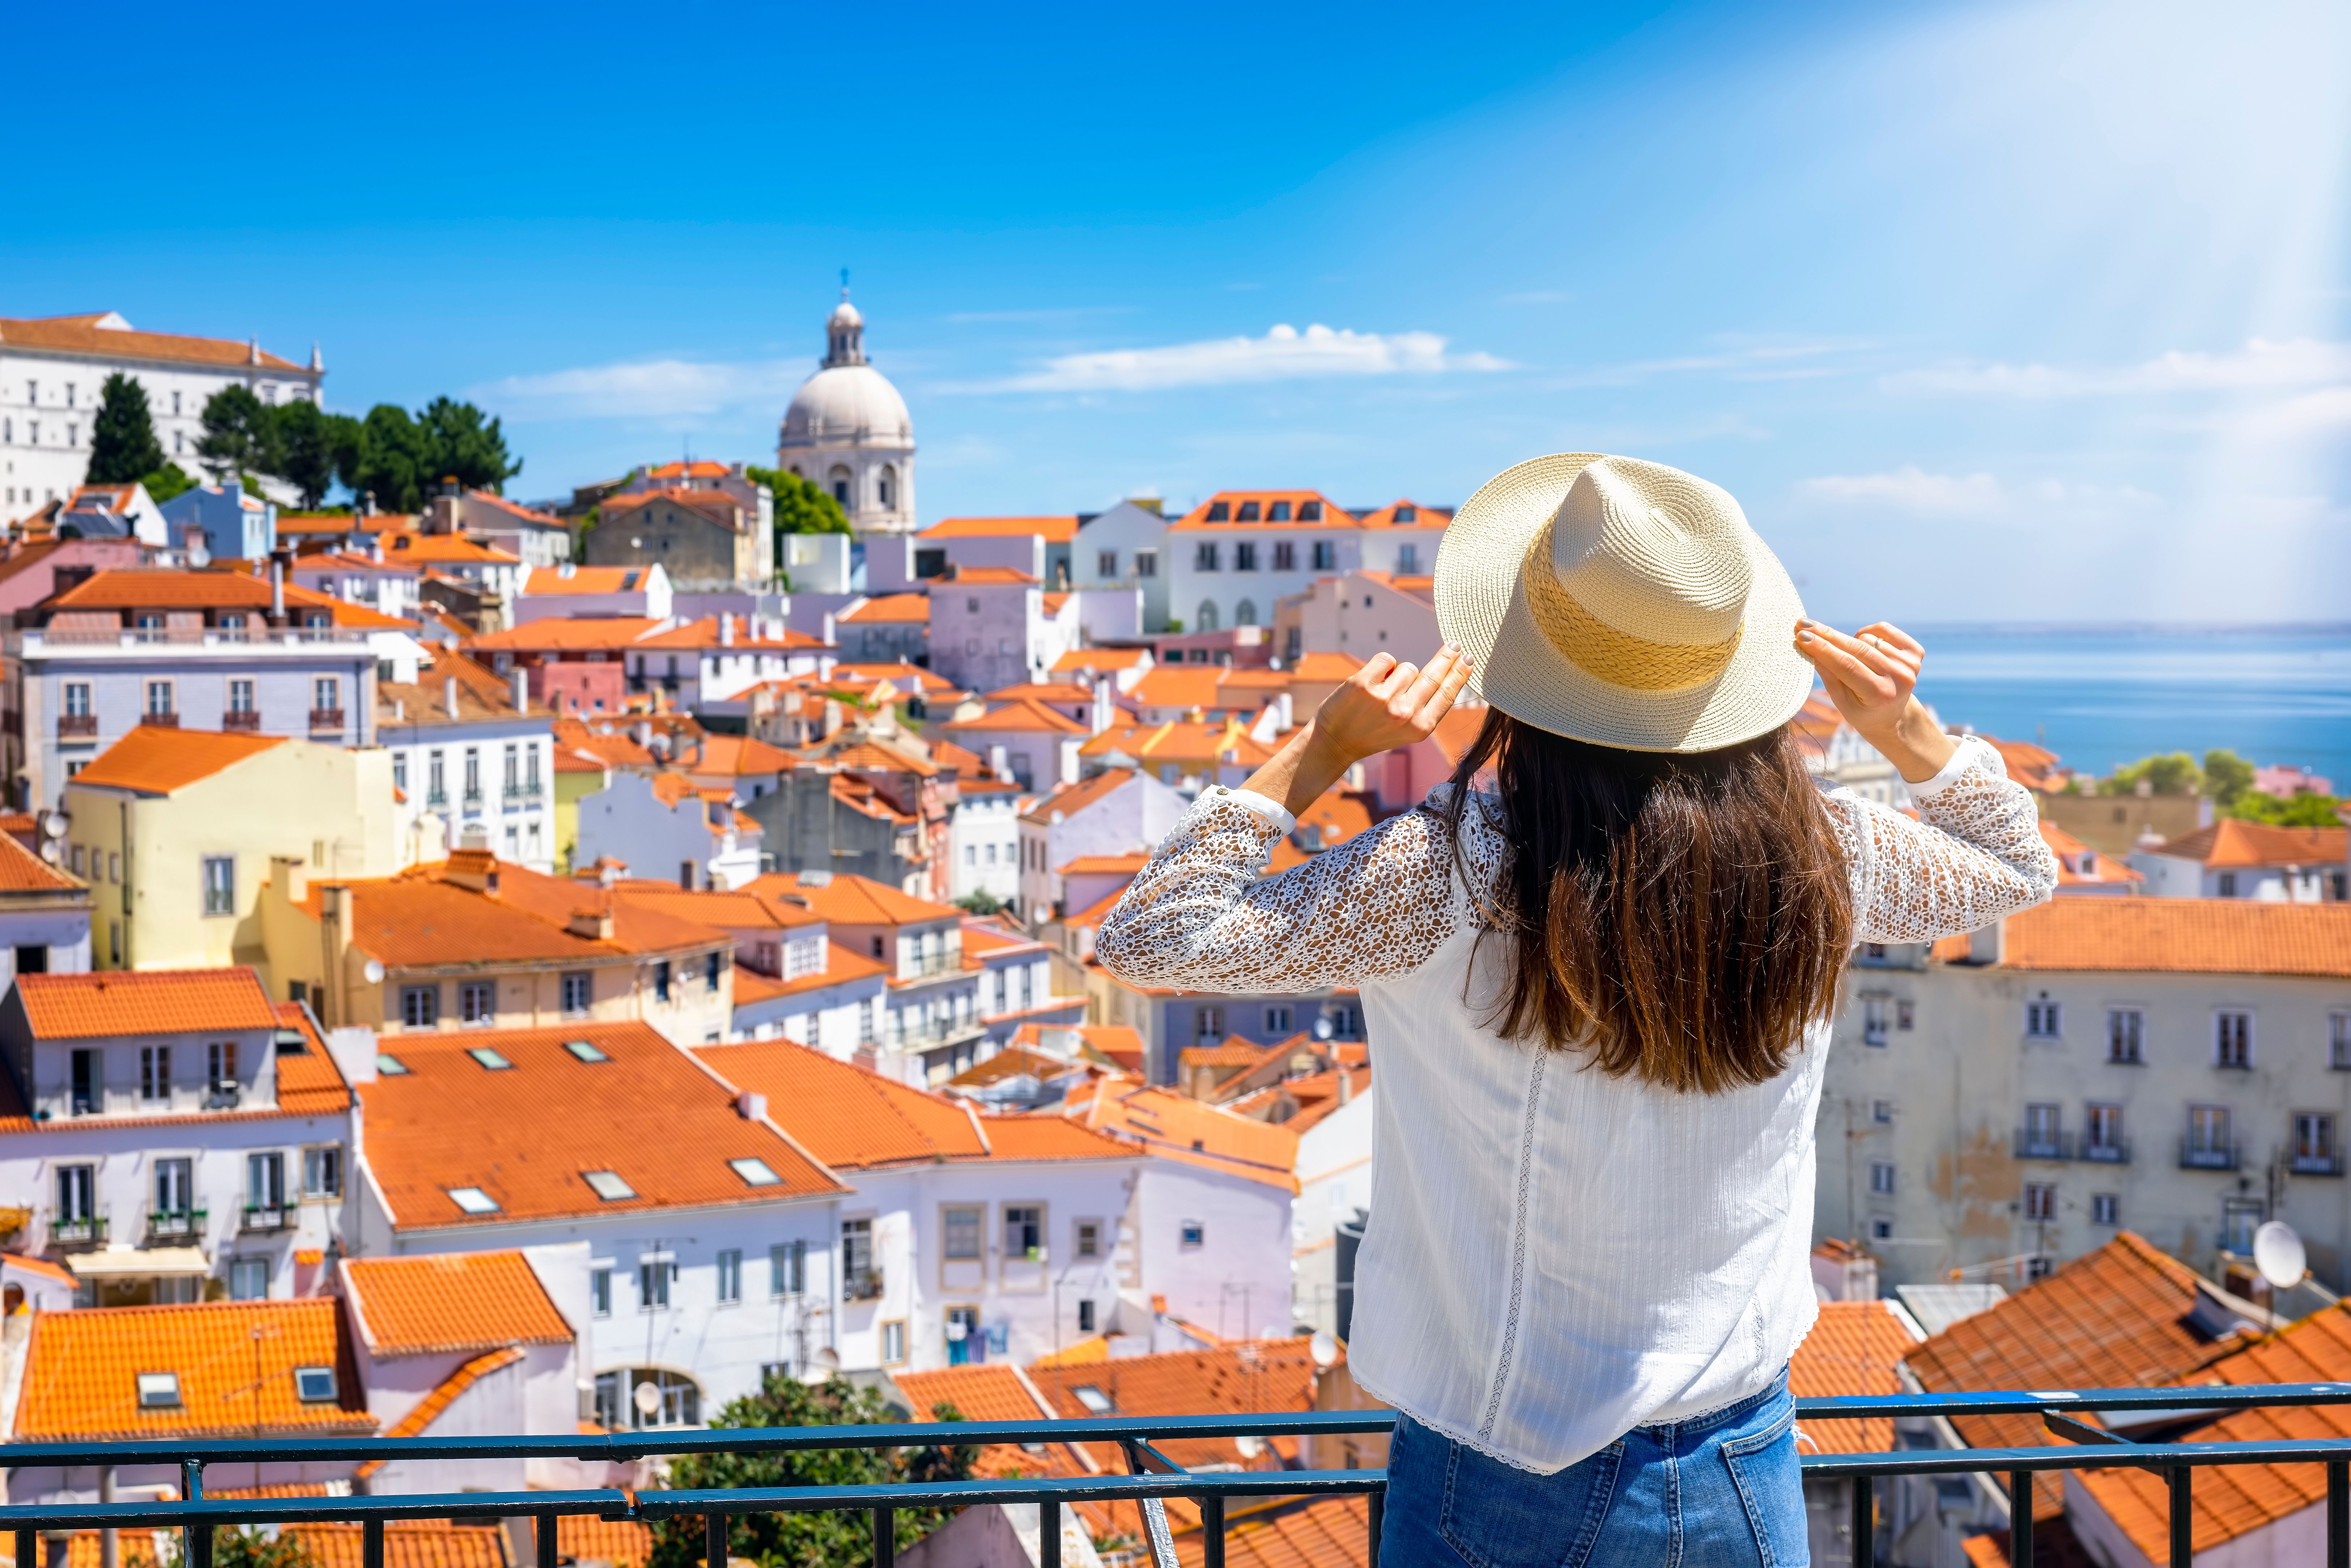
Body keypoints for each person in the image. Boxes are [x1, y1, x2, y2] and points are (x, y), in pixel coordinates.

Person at [1095, 454, 2058, 1566]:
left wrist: (1318, 753)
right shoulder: (1822, 851)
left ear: (1527, 670)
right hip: (1742, 1459)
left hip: (1498, 1470)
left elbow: (1151, 936)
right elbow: (2013, 867)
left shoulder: (1447, 871)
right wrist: (1909, 736)